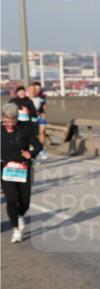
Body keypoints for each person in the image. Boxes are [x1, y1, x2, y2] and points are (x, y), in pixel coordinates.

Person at [1, 102, 42, 243]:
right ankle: (16, 229)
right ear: (2, 118)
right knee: (12, 199)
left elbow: (38, 146)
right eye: (6, 120)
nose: (10, 124)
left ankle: (19, 215)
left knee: (25, 201)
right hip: (6, 169)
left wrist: (31, 153)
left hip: (23, 168)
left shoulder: (25, 130)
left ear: (17, 118)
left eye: (12, 120)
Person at [28, 82, 48, 160]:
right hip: (30, 118)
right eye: (36, 88)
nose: (37, 90)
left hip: (40, 117)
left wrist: (43, 110)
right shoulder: (27, 97)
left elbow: (43, 107)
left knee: (42, 132)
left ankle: (41, 149)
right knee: (32, 135)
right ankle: (33, 150)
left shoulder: (42, 97)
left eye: (39, 89)